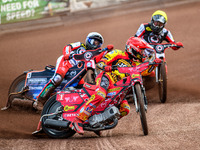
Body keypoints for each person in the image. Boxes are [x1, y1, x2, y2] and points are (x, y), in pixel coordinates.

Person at [69, 37, 161, 135]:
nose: (143, 53)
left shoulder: (137, 63)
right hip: (107, 78)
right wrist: (105, 66)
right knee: (100, 95)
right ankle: (78, 120)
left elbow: (145, 72)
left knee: (125, 109)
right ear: (133, 49)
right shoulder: (118, 53)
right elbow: (101, 63)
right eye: (141, 51)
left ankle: (99, 123)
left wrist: (154, 64)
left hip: (120, 88)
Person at [33, 32, 104, 111]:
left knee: (82, 87)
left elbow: (99, 60)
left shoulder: (93, 55)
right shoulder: (80, 45)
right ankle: (39, 101)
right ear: (88, 40)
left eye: (98, 43)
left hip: (76, 73)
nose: (95, 44)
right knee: (57, 79)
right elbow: (68, 46)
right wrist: (68, 54)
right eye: (94, 41)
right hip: (65, 64)